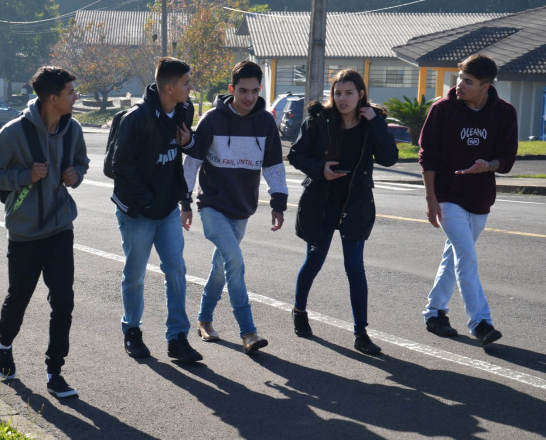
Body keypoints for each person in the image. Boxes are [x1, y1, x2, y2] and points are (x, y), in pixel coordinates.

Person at [0, 66, 88, 398]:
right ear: (52, 98)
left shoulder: (73, 130)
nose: (75, 96)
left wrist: (75, 175)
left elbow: (82, 163)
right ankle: (4, 343)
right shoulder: (15, 132)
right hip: (25, 234)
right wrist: (25, 175)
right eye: (70, 92)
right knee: (20, 298)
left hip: (59, 230)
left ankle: (55, 371)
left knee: (64, 302)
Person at [287, 69, 398, 356]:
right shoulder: (318, 120)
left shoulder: (371, 122)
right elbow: (296, 154)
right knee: (314, 261)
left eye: (349, 93)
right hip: (322, 202)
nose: (342, 98)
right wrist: (320, 169)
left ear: (361, 94)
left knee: (355, 268)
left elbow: (389, 158)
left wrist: (375, 123)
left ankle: (361, 333)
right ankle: (299, 310)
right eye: (337, 93)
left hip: (355, 205)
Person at [181, 61, 288, 355]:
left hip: (243, 207)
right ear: (232, 90)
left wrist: (278, 203)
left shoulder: (265, 122)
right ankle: (248, 331)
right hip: (212, 205)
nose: (249, 97)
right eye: (243, 90)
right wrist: (185, 202)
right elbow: (192, 163)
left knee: (220, 266)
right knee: (235, 261)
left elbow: (274, 167)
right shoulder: (213, 120)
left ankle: (203, 319)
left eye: (254, 91)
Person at [420, 54, 518, 346]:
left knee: (454, 256)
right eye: (460, 77)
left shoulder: (504, 112)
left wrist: (486, 166)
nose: (459, 85)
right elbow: (427, 156)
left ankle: (434, 312)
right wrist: (431, 199)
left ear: (485, 86)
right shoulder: (442, 109)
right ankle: (481, 322)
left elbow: (507, 158)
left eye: (468, 81)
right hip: (448, 196)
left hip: (480, 198)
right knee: (466, 257)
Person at [110, 56, 202, 363]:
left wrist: (188, 141)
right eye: (186, 83)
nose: (191, 88)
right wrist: (146, 200)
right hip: (137, 210)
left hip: (167, 210)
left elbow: (185, 154)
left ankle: (177, 338)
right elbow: (119, 168)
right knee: (134, 274)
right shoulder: (135, 119)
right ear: (168, 87)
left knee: (176, 270)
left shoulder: (184, 110)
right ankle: (132, 331)